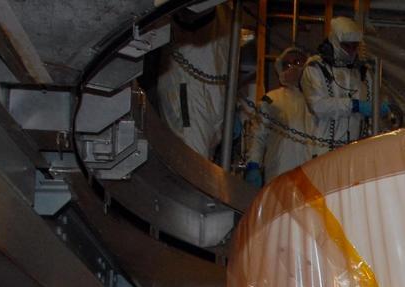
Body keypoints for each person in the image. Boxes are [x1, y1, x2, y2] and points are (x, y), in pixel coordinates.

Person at [156, 6, 236, 159]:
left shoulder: (227, 13)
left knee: (200, 158)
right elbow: (189, 16)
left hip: (211, 95)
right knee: (190, 157)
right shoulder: (216, 11)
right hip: (190, 93)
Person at [245, 45, 321, 187]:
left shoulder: (318, 101)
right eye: (287, 64)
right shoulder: (272, 99)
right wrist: (253, 164)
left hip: (312, 172)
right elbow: (258, 135)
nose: (292, 67)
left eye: (297, 62)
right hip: (280, 172)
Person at [301, 16, 374, 152]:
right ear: (334, 42)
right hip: (323, 151)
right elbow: (318, 106)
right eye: (346, 46)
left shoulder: (362, 73)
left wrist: (378, 108)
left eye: (354, 46)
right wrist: (354, 105)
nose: (351, 51)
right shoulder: (316, 68)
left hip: (354, 151)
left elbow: (370, 107)